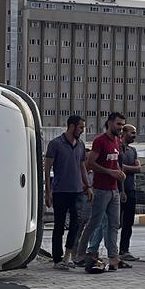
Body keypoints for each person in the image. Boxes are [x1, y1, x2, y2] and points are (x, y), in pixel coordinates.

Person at [79, 112, 129, 273]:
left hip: (114, 189)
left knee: (113, 224)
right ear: (109, 123)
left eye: (122, 125)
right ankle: (81, 253)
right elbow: (90, 163)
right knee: (94, 222)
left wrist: (120, 174)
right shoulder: (100, 141)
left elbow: (116, 163)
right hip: (101, 189)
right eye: (118, 124)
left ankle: (113, 258)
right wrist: (109, 172)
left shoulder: (117, 141)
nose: (120, 127)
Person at [44, 115, 92, 270]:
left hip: (77, 191)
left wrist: (88, 185)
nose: (82, 131)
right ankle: (57, 259)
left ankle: (68, 256)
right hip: (60, 191)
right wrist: (48, 192)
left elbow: (82, 166)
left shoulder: (80, 145)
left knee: (75, 224)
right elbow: (47, 168)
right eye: (80, 127)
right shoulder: (55, 144)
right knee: (59, 225)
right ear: (71, 126)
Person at [118, 124, 142, 262]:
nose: (134, 135)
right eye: (132, 133)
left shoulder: (132, 150)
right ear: (124, 133)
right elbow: (118, 168)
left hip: (131, 190)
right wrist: (128, 168)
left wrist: (126, 168)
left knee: (128, 222)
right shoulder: (118, 149)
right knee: (114, 223)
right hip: (119, 190)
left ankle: (124, 249)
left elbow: (138, 169)